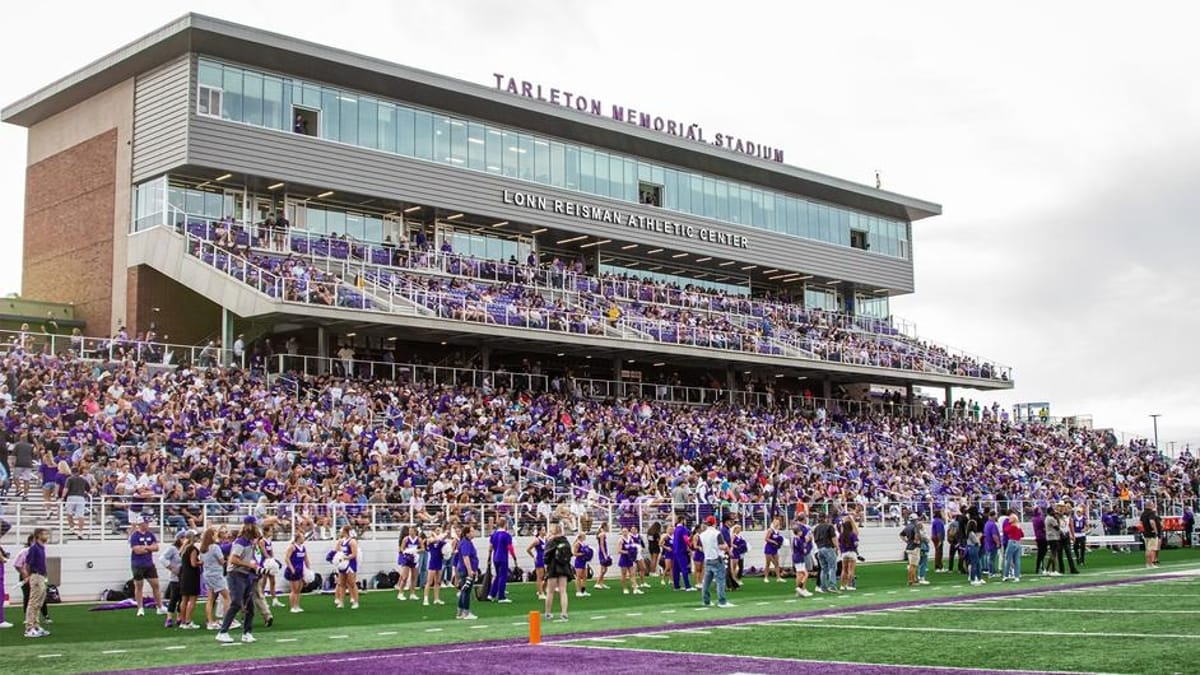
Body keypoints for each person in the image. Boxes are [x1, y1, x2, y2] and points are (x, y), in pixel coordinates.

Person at [216, 518, 261, 643]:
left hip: (245, 575)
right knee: (236, 602)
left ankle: (247, 632)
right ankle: (223, 631)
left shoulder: (249, 542)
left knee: (250, 606)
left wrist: (255, 567)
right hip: (236, 574)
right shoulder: (241, 542)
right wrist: (249, 565)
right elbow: (233, 560)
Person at [129, 516, 166, 617]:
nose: (148, 524)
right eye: (146, 523)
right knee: (139, 586)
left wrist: (145, 547)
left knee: (155, 585)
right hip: (138, 564)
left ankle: (159, 606)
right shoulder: (134, 536)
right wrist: (149, 548)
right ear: (141, 524)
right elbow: (137, 550)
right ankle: (140, 608)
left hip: (149, 564)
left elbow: (156, 547)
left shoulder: (150, 534)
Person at [697, 515, 733, 608]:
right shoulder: (717, 533)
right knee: (720, 581)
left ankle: (706, 601)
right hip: (717, 558)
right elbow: (721, 546)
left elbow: (700, 548)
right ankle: (722, 601)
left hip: (707, 559)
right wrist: (726, 547)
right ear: (715, 523)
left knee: (706, 582)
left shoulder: (702, 535)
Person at [23, 528, 50, 638]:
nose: (47, 536)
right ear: (38, 535)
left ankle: (36, 626)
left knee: (39, 603)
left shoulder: (41, 548)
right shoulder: (34, 548)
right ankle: (29, 628)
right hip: (36, 576)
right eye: (45, 534)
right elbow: (28, 564)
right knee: (33, 602)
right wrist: (29, 576)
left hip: (41, 576)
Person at [544, 523, 572, 621]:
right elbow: (569, 554)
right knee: (563, 591)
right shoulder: (566, 541)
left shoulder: (552, 541)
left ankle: (548, 613)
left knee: (550, 591)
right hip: (564, 567)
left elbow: (546, 556)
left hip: (553, 567)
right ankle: (564, 613)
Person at [161, 529, 188, 628]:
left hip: (184, 577)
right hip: (175, 577)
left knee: (182, 598)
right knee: (174, 598)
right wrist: (171, 568)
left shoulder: (186, 548)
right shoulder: (173, 549)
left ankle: (179, 617)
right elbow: (162, 558)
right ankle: (169, 618)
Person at [487, 520, 516, 603]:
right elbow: (510, 548)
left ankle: (491, 594)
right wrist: (514, 557)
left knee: (497, 576)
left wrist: (489, 557)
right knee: (503, 577)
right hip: (503, 557)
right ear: (505, 525)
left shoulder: (493, 535)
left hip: (495, 557)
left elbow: (490, 547)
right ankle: (501, 597)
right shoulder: (507, 535)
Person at [455, 524, 479, 620]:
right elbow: (466, 557)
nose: (473, 533)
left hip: (464, 569)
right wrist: (470, 570)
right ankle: (466, 612)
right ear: (467, 533)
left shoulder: (466, 542)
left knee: (464, 590)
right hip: (466, 570)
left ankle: (460, 611)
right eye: (472, 531)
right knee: (466, 591)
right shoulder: (465, 543)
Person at [178, 530, 202, 628]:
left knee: (184, 599)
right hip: (192, 576)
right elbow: (193, 563)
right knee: (192, 599)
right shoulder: (193, 549)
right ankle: (188, 621)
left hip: (184, 575)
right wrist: (201, 562)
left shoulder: (184, 549)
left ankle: (182, 620)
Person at [283, 529, 310, 613]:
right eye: (302, 537)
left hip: (300, 570)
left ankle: (297, 605)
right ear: (298, 538)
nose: (304, 539)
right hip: (293, 570)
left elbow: (306, 559)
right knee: (294, 589)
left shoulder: (303, 548)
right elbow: (287, 559)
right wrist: (292, 569)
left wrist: (308, 570)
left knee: (299, 589)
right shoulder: (292, 547)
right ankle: (293, 606)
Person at [334, 525, 360, 609]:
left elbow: (354, 554)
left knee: (352, 583)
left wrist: (344, 557)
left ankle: (355, 601)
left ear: (346, 531)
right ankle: (341, 602)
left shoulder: (352, 541)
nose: (340, 531)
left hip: (350, 564)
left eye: (342, 530)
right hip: (342, 564)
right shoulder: (342, 541)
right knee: (341, 583)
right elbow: (338, 551)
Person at [812, 512, 838, 593]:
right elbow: (834, 538)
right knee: (832, 567)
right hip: (828, 548)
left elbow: (815, 539)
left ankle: (823, 587)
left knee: (823, 569)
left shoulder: (816, 528)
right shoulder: (829, 526)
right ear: (826, 518)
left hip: (820, 549)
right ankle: (832, 586)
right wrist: (837, 547)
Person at [396, 526, 422, 601]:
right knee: (405, 577)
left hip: (414, 558)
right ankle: (400, 593)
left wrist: (416, 551)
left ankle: (412, 593)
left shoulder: (418, 539)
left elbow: (423, 548)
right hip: (407, 558)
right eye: (409, 531)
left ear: (415, 531)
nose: (410, 532)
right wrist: (407, 551)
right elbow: (401, 548)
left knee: (414, 577)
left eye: (411, 531)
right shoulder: (406, 539)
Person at [790, 517, 814, 597]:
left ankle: (801, 589)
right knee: (805, 574)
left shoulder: (794, 539)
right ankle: (800, 588)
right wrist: (807, 545)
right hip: (799, 558)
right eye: (800, 531)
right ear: (798, 532)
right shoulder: (799, 540)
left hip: (796, 557)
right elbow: (804, 551)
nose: (801, 533)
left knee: (799, 574)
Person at [423, 527, 447, 606]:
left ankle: (436, 599)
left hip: (439, 562)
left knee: (437, 582)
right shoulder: (430, 540)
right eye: (437, 530)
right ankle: (425, 599)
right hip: (432, 562)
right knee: (429, 582)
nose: (438, 532)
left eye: (439, 530)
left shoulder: (441, 541)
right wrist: (435, 534)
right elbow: (433, 540)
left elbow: (445, 545)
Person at [670, 517, 694, 590]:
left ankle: (676, 586)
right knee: (684, 569)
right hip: (681, 551)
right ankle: (688, 586)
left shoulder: (676, 529)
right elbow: (686, 540)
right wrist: (691, 546)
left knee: (676, 569)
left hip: (675, 551)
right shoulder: (683, 529)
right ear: (682, 520)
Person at [838, 516, 860, 591]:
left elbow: (839, 543)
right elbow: (856, 544)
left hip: (844, 553)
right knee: (851, 570)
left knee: (844, 570)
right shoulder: (852, 534)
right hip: (851, 552)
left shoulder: (841, 535)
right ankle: (849, 585)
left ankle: (842, 585)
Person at [1002, 511, 1024, 582]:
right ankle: (1017, 576)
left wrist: (1008, 523)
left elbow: (1005, 530)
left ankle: (1005, 575)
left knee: (1008, 559)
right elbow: (1022, 535)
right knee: (1017, 560)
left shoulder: (1012, 526)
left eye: (1010, 518)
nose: (1009, 519)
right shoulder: (1018, 527)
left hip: (1012, 542)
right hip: (1018, 542)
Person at [616, 526, 639, 595]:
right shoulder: (620, 540)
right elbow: (619, 551)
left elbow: (633, 548)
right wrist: (628, 552)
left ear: (628, 532)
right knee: (624, 574)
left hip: (630, 559)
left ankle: (635, 588)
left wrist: (634, 552)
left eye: (626, 531)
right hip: (623, 559)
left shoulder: (631, 539)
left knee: (632, 574)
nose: (624, 533)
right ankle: (624, 588)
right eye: (623, 531)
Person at [900, 514, 921, 586]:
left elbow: (901, 535)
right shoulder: (915, 527)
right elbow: (916, 536)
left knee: (912, 565)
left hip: (909, 547)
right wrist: (917, 541)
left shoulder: (907, 527)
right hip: (914, 547)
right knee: (913, 565)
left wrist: (906, 541)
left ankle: (914, 579)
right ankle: (911, 580)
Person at [762, 516, 785, 583]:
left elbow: (778, 539)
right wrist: (773, 541)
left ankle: (778, 577)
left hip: (775, 548)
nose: (777, 524)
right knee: (768, 563)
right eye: (776, 522)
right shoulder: (770, 530)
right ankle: (766, 577)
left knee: (777, 563)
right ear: (773, 522)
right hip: (769, 548)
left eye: (778, 522)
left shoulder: (777, 531)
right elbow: (766, 539)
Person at [527, 525, 547, 600]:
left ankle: (542, 590)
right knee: (540, 576)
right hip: (539, 559)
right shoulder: (537, 540)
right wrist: (533, 557)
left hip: (545, 559)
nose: (544, 531)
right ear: (539, 531)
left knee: (547, 576)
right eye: (543, 530)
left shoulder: (546, 539)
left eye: (545, 530)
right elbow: (528, 549)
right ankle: (540, 593)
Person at [1141, 501, 1162, 568]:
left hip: (1146, 532)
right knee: (1152, 549)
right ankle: (1151, 564)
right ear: (1150, 505)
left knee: (1147, 549)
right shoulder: (1151, 513)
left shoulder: (1143, 513)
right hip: (1151, 533)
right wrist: (1155, 530)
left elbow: (1141, 522)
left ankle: (1148, 563)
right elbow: (1152, 521)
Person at [572, 532, 593, 597]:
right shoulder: (577, 544)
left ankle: (583, 591)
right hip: (579, 561)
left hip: (584, 562)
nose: (585, 536)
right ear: (581, 536)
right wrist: (583, 554)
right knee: (578, 576)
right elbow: (574, 553)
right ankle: (578, 591)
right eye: (584, 535)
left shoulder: (583, 543)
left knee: (585, 576)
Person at [982, 510, 1001, 578]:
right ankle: (991, 572)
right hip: (992, 544)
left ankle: (991, 572)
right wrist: (998, 543)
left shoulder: (986, 524)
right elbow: (994, 535)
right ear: (994, 516)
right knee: (991, 559)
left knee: (989, 558)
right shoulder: (993, 524)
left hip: (987, 543)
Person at [1044, 506, 1062, 576]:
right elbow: (1057, 527)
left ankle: (1046, 570)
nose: (1054, 512)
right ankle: (1053, 570)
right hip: (1053, 537)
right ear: (1050, 512)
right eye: (1053, 511)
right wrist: (1057, 518)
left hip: (1049, 537)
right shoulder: (1051, 519)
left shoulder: (1047, 518)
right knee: (1054, 554)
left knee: (1052, 553)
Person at [966, 519, 984, 586]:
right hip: (973, 548)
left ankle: (979, 578)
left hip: (973, 548)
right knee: (974, 564)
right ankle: (973, 579)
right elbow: (977, 542)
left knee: (977, 564)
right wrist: (979, 537)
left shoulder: (971, 533)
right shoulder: (971, 533)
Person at [594, 522, 612, 590]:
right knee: (603, 569)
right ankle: (597, 583)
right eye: (607, 526)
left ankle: (601, 583)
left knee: (605, 569)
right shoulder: (602, 534)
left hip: (604, 551)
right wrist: (604, 554)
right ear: (604, 526)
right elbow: (601, 545)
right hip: (602, 552)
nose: (608, 528)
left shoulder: (602, 533)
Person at [1032, 506, 1048, 574]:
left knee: (1040, 552)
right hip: (1042, 536)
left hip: (1038, 536)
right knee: (1042, 552)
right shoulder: (1040, 519)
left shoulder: (1033, 519)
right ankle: (1040, 566)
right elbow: (1044, 528)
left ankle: (1039, 567)